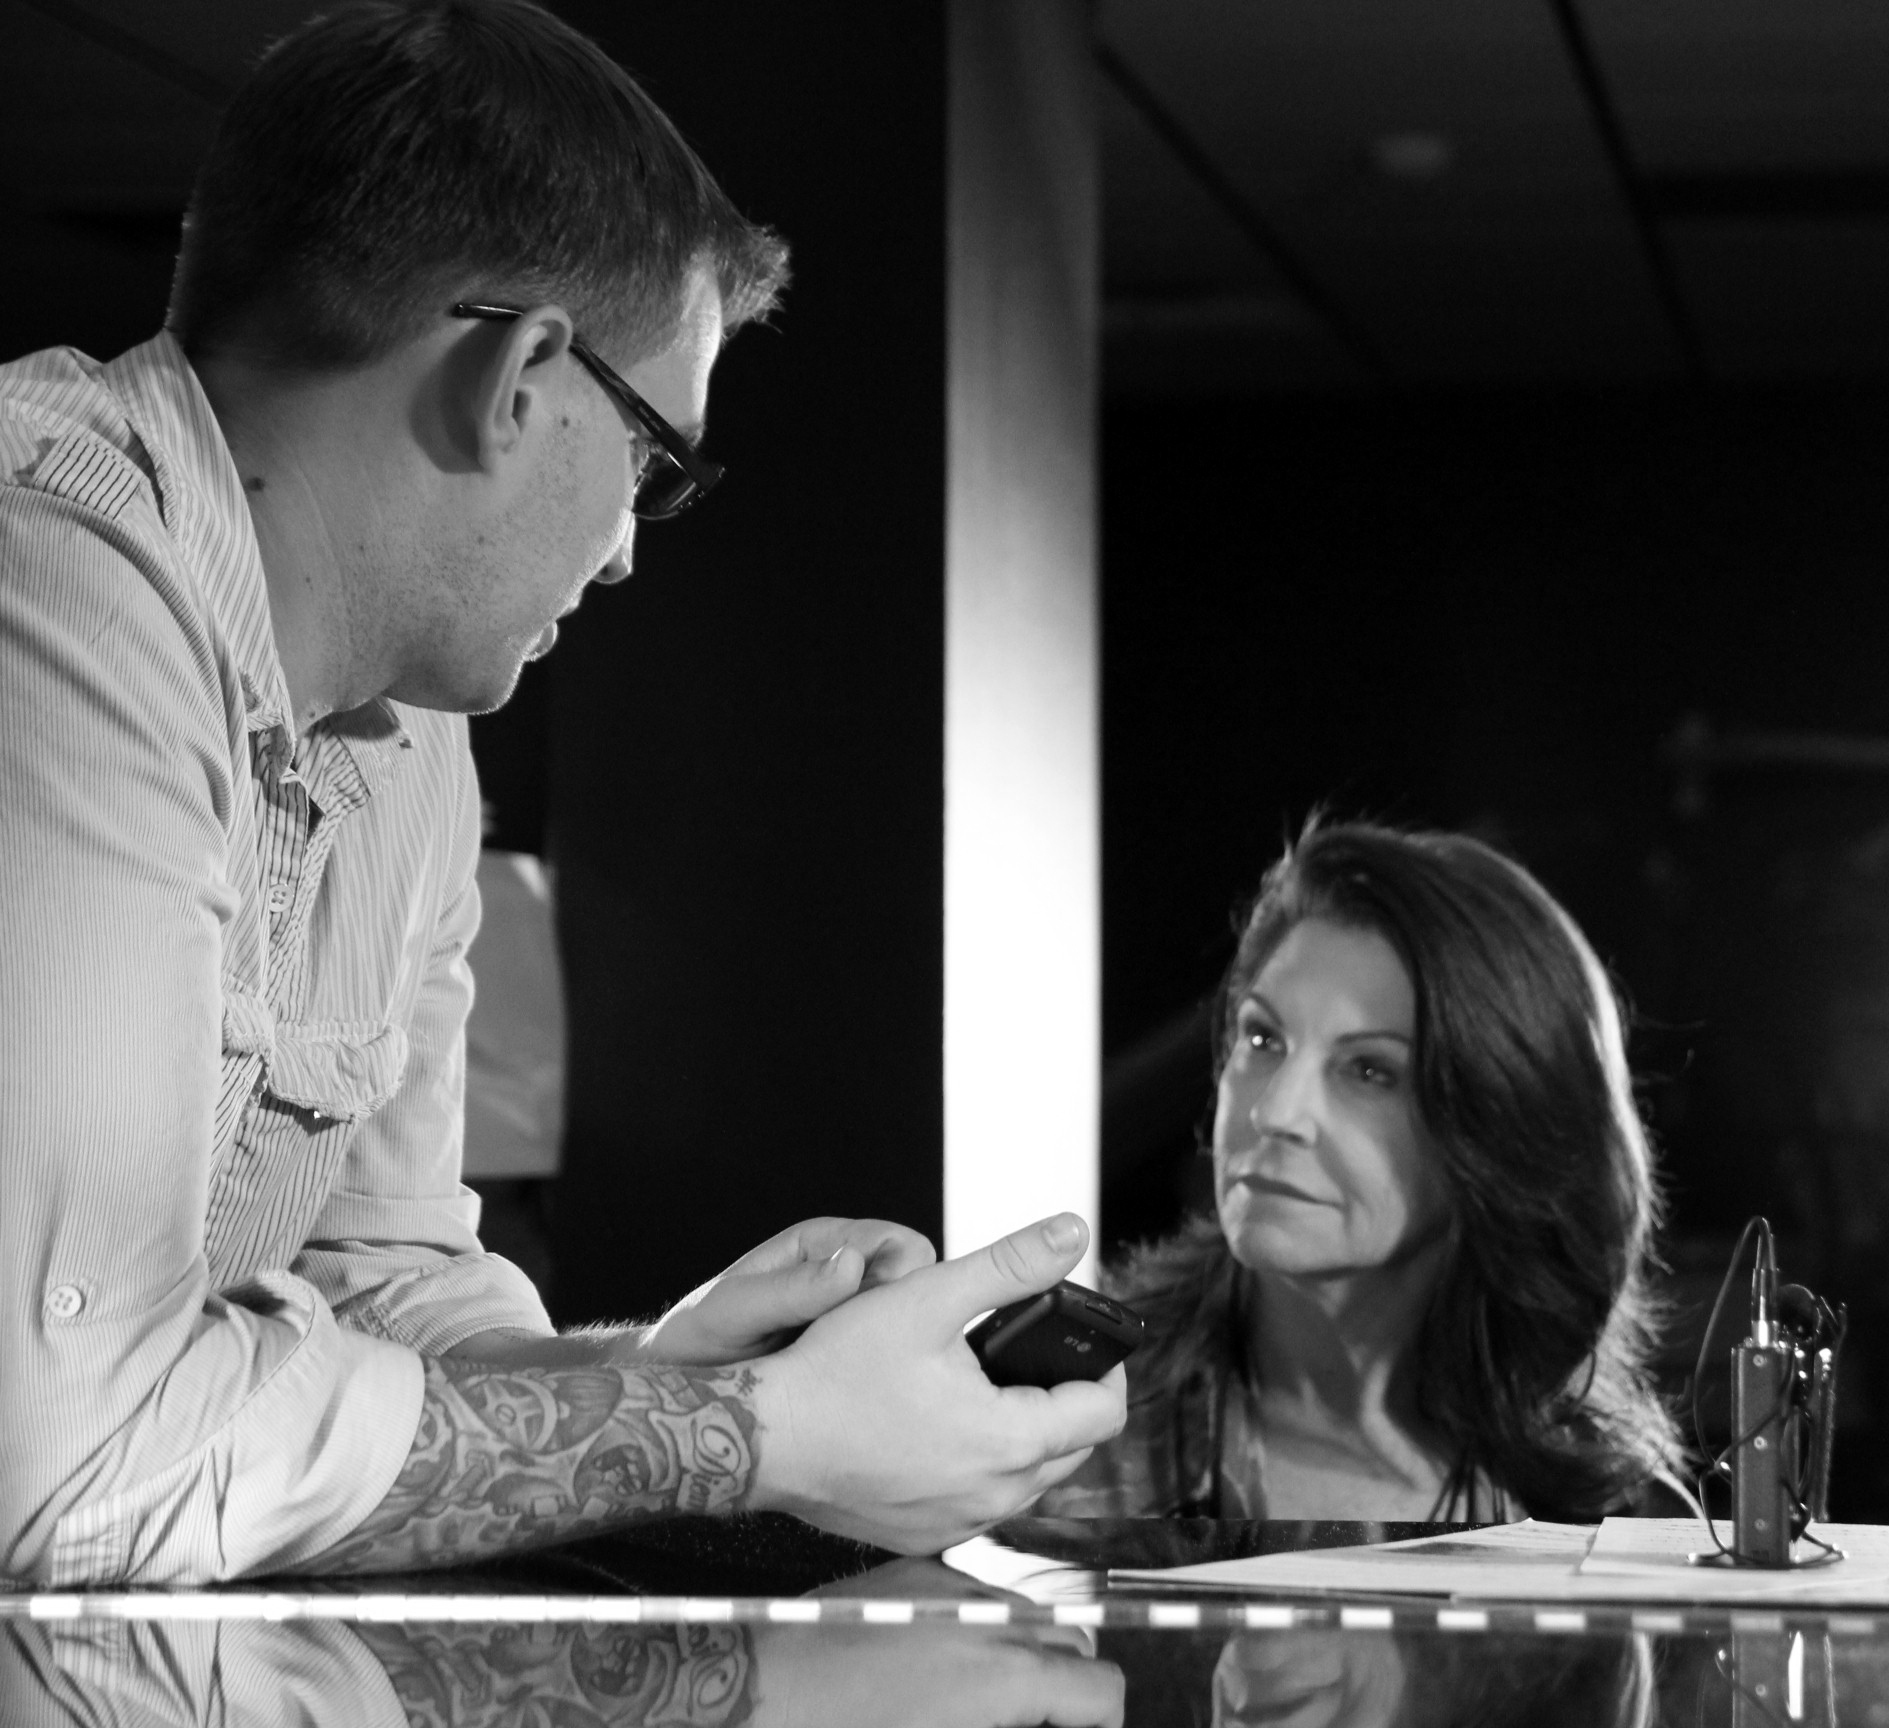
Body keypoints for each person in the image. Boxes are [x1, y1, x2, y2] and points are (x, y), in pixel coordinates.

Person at [0, 0, 1120, 1586]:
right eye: (656, 460)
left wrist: (687, 1385)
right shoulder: (52, 582)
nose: (627, 546)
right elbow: (73, 1461)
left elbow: (381, 1298)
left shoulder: (410, 735)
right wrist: (758, 1439)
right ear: (521, 372)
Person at [1045, 821, 1683, 1521]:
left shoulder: (1615, 1514)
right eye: (1263, 1037)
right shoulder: (1060, 1438)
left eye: (1370, 1071)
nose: (1276, 1111)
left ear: (1502, 1132)